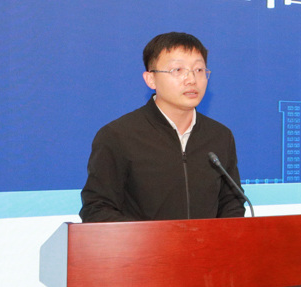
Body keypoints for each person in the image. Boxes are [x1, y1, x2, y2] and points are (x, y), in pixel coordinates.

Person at [80, 32, 247, 223]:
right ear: (150, 79)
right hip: (143, 243)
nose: (191, 79)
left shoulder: (220, 136)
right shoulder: (118, 135)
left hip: (206, 243)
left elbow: (232, 202)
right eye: (178, 70)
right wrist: (150, 238)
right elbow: (97, 208)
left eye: (199, 70)